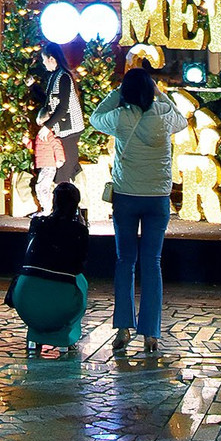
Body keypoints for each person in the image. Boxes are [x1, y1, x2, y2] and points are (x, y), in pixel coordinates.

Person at [89, 66, 187, 354]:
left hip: (127, 196)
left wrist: (117, 93)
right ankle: (151, 334)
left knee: (125, 261)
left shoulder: (120, 116)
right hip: (157, 198)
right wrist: (160, 94)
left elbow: (95, 117)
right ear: (150, 90)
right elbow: (182, 120)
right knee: (152, 263)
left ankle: (122, 328)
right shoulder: (165, 116)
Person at [10, 181, 90, 357]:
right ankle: (64, 337)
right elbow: (80, 264)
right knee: (80, 282)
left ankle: (35, 336)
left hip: (25, 299)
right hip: (61, 304)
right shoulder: (78, 230)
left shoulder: (37, 223)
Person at [37, 42, 84, 185]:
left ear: (52, 59)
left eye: (44, 59)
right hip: (61, 130)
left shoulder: (64, 77)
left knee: (64, 172)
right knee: (64, 169)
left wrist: (47, 127)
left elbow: (63, 107)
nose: (44, 64)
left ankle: (68, 202)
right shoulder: (54, 77)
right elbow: (49, 101)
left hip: (70, 130)